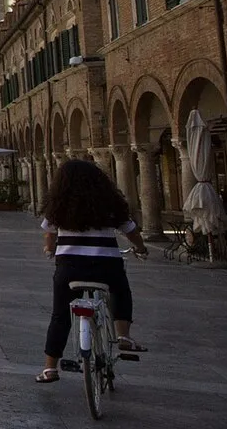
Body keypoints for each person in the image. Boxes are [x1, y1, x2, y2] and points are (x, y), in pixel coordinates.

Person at [36, 158, 149, 384]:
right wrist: (141, 248)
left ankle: (50, 368)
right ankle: (123, 335)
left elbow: (49, 234)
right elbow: (131, 231)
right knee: (120, 291)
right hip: (106, 265)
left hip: (69, 267)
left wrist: (49, 249)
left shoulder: (59, 204)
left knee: (60, 315)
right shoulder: (109, 203)